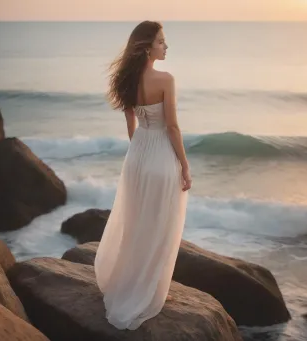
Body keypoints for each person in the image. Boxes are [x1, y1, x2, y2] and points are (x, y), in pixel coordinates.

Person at [94, 20, 192, 330]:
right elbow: (173, 127)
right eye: (162, 41)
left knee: (136, 223)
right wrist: (185, 166)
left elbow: (131, 124)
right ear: (148, 46)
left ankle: (126, 284)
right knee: (159, 225)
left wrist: (138, 148)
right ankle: (147, 292)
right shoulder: (165, 79)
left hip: (137, 155)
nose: (166, 46)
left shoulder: (127, 79)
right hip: (161, 154)